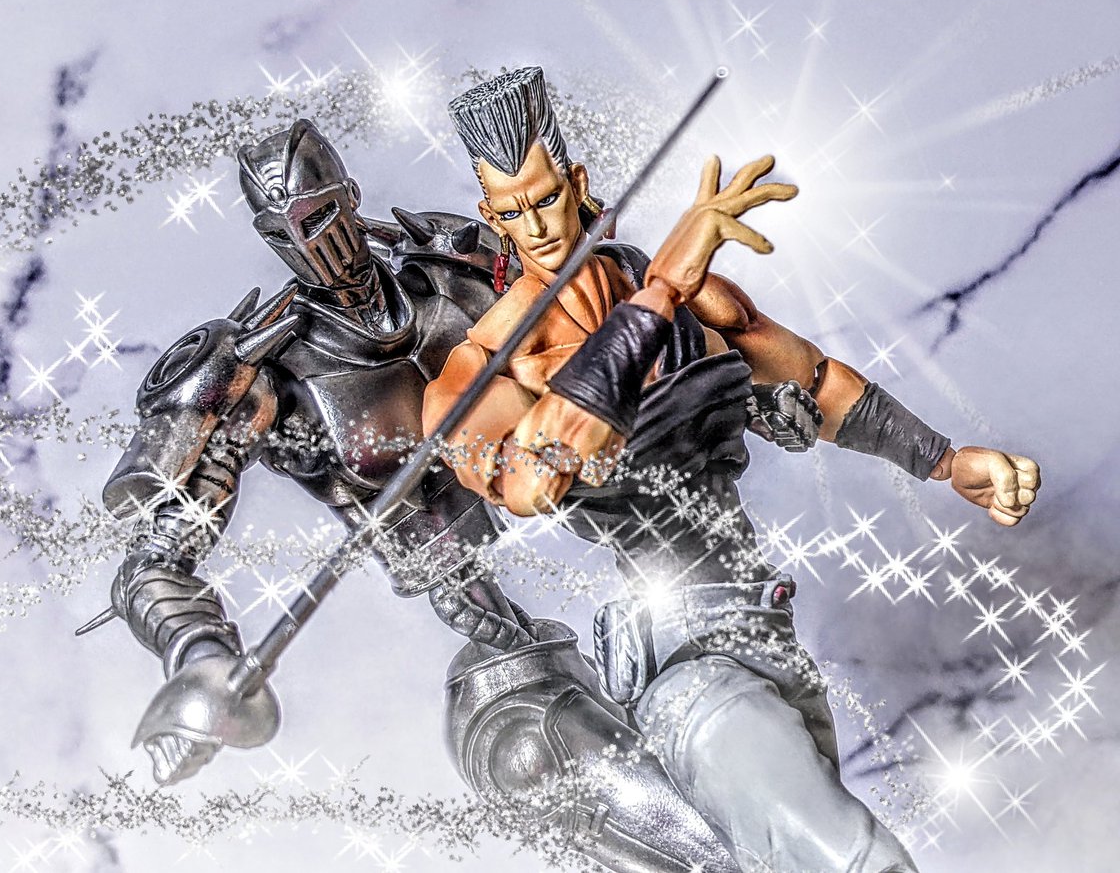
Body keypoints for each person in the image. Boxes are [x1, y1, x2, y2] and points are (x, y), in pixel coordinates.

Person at [425, 66, 1041, 873]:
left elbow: (815, 381)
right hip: (685, 670)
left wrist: (944, 459)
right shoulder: (485, 368)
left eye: (544, 198)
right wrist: (656, 295)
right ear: (490, 217)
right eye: (511, 211)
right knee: (859, 863)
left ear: (575, 183)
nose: (535, 225)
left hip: (767, 629)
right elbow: (535, 479)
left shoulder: (698, 300)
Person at [90, 118, 742, 872]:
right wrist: (198, 658)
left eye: (321, 215)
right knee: (532, 747)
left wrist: (753, 394)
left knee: (725, 668)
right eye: (284, 231)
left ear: (349, 195)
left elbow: (616, 324)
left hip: (628, 525)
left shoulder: (456, 265)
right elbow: (156, 560)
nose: (313, 243)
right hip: (493, 637)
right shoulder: (266, 376)